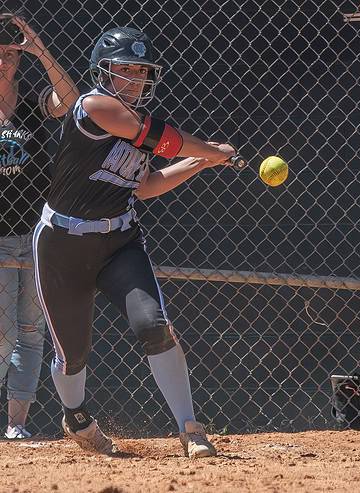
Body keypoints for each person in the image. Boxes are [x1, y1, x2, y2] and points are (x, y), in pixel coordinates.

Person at [32, 26, 241, 457]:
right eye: (123, 69)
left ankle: (190, 429)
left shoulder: (137, 125)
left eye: (140, 71)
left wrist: (200, 162)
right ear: (102, 72)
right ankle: (76, 417)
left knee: (153, 325)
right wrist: (210, 150)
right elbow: (162, 139)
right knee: (72, 354)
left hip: (118, 241)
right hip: (62, 244)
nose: (133, 79)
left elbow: (144, 185)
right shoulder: (95, 105)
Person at [0, 12, 79, 439]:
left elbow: (69, 100)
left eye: (9, 54)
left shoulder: (31, 103)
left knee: (31, 332)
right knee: (2, 333)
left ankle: (16, 425)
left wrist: (38, 47)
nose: (3, 61)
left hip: (33, 236)